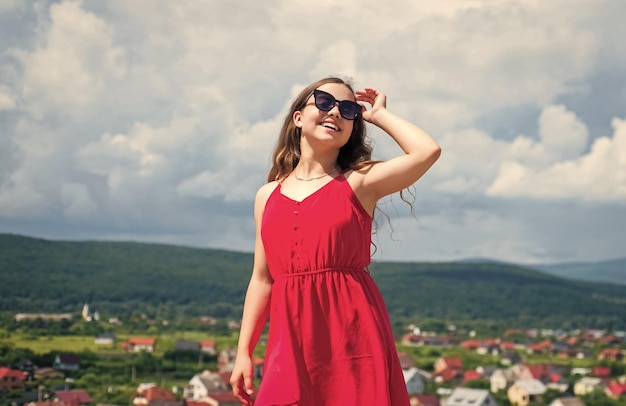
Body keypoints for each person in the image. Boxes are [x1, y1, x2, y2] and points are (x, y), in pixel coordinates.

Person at [230, 76, 441, 405]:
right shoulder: (266, 196)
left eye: (348, 109)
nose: (336, 113)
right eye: (325, 103)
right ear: (298, 117)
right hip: (290, 343)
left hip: (353, 336)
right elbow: (262, 279)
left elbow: (427, 151)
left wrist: (379, 115)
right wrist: (243, 352)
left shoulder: (360, 182)